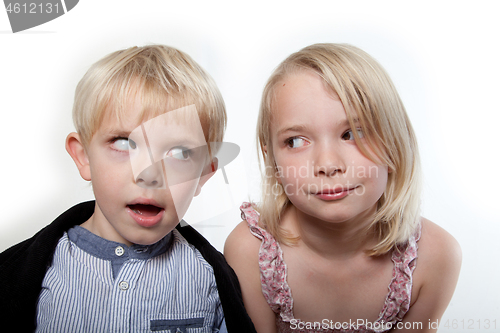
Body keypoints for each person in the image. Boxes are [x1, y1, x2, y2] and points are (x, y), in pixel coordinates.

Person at [0, 45, 255, 333]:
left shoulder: (211, 279)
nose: (149, 174)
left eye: (180, 153)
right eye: (124, 143)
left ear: (202, 177)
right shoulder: (24, 274)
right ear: (83, 156)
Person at [225, 43, 461, 333]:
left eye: (352, 134)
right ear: (270, 156)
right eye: (296, 141)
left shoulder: (434, 257)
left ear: (396, 141)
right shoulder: (250, 251)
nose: (327, 164)